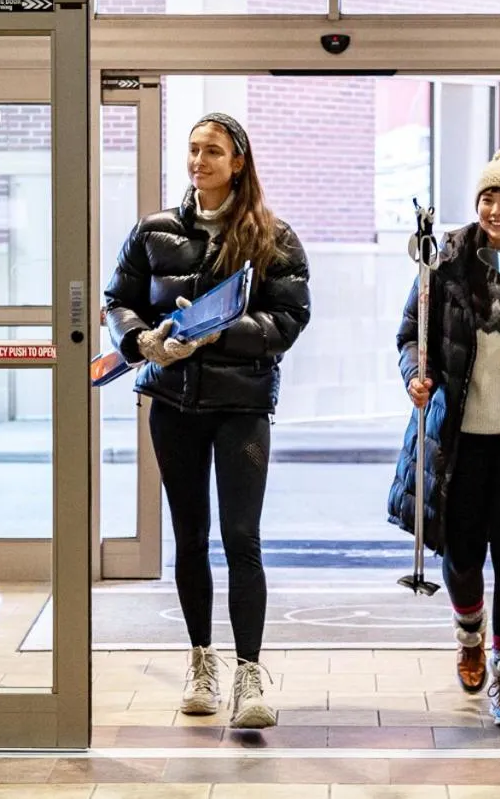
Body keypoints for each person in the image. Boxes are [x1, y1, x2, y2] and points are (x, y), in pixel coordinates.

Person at [103, 112, 311, 730]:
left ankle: (250, 674)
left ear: (238, 162)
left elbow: (289, 319)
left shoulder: (273, 237)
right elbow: (120, 300)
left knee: (241, 540)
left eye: (212, 152)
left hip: (241, 407)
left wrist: (221, 331)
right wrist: (145, 342)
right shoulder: (154, 230)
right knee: (189, 539)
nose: (199, 161)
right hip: (173, 404)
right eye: (193, 151)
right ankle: (201, 662)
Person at [386, 144, 500, 729]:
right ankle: (470, 634)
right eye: (488, 197)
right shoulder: (443, 264)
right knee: (461, 555)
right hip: (456, 438)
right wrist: (416, 376)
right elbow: (410, 336)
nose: (496, 208)